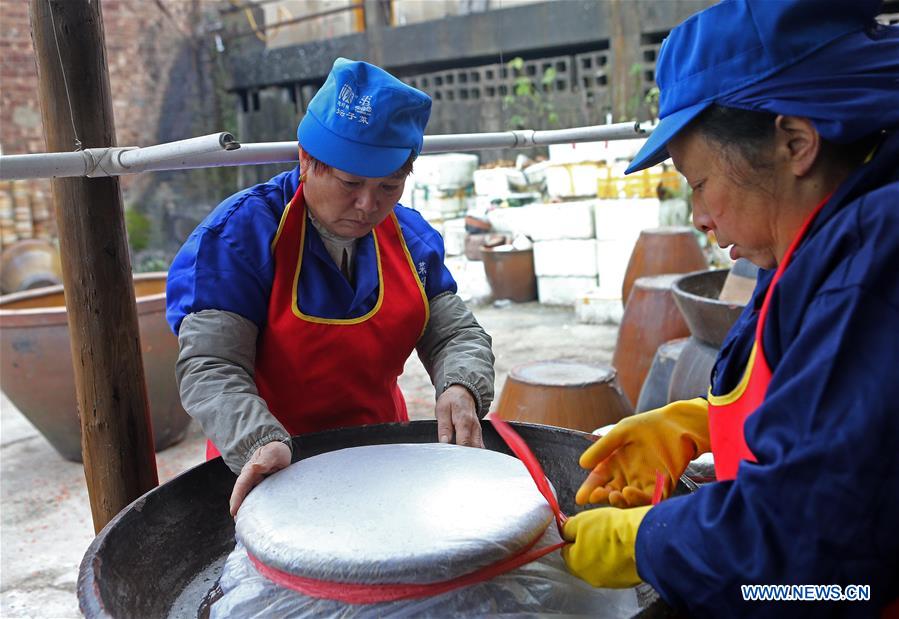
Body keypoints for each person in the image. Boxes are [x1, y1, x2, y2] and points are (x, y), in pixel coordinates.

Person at [560, 0, 899, 615]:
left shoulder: (874, 261)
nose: (700, 219)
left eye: (699, 184)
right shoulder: (808, 234)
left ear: (796, 141)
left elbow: (809, 557)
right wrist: (700, 422)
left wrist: (648, 542)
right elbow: (827, 407)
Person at [166, 58, 495, 516]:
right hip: (270, 465)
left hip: (380, 457)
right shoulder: (241, 238)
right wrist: (257, 442)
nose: (368, 205)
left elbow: (456, 334)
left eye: (389, 185)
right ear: (306, 160)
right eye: (351, 182)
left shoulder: (411, 241)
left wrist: (462, 384)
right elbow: (210, 364)